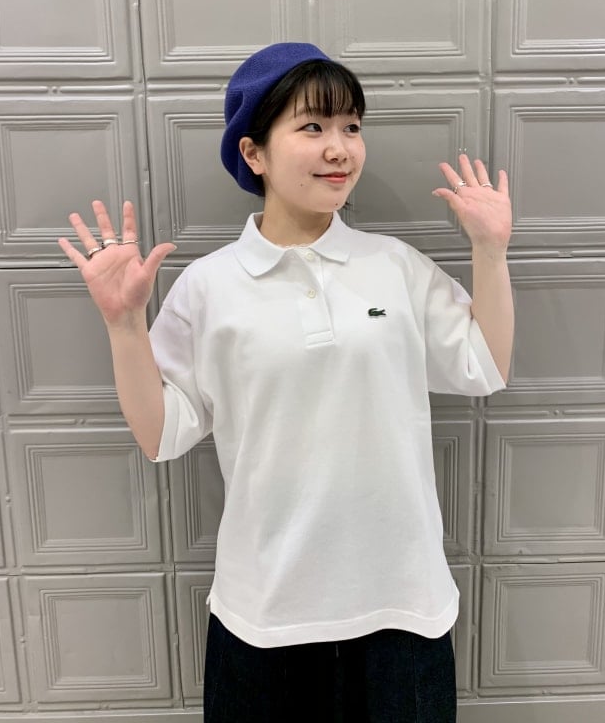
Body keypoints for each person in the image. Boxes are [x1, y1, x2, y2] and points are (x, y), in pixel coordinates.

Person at [58, 42, 513, 722]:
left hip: (401, 604)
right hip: (264, 614)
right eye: (313, 126)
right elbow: (161, 434)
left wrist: (490, 251)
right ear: (254, 154)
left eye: (351, 126)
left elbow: (485, 365)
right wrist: (124, 326)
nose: (339, 148)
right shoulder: (209, 286)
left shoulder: (394, 266)